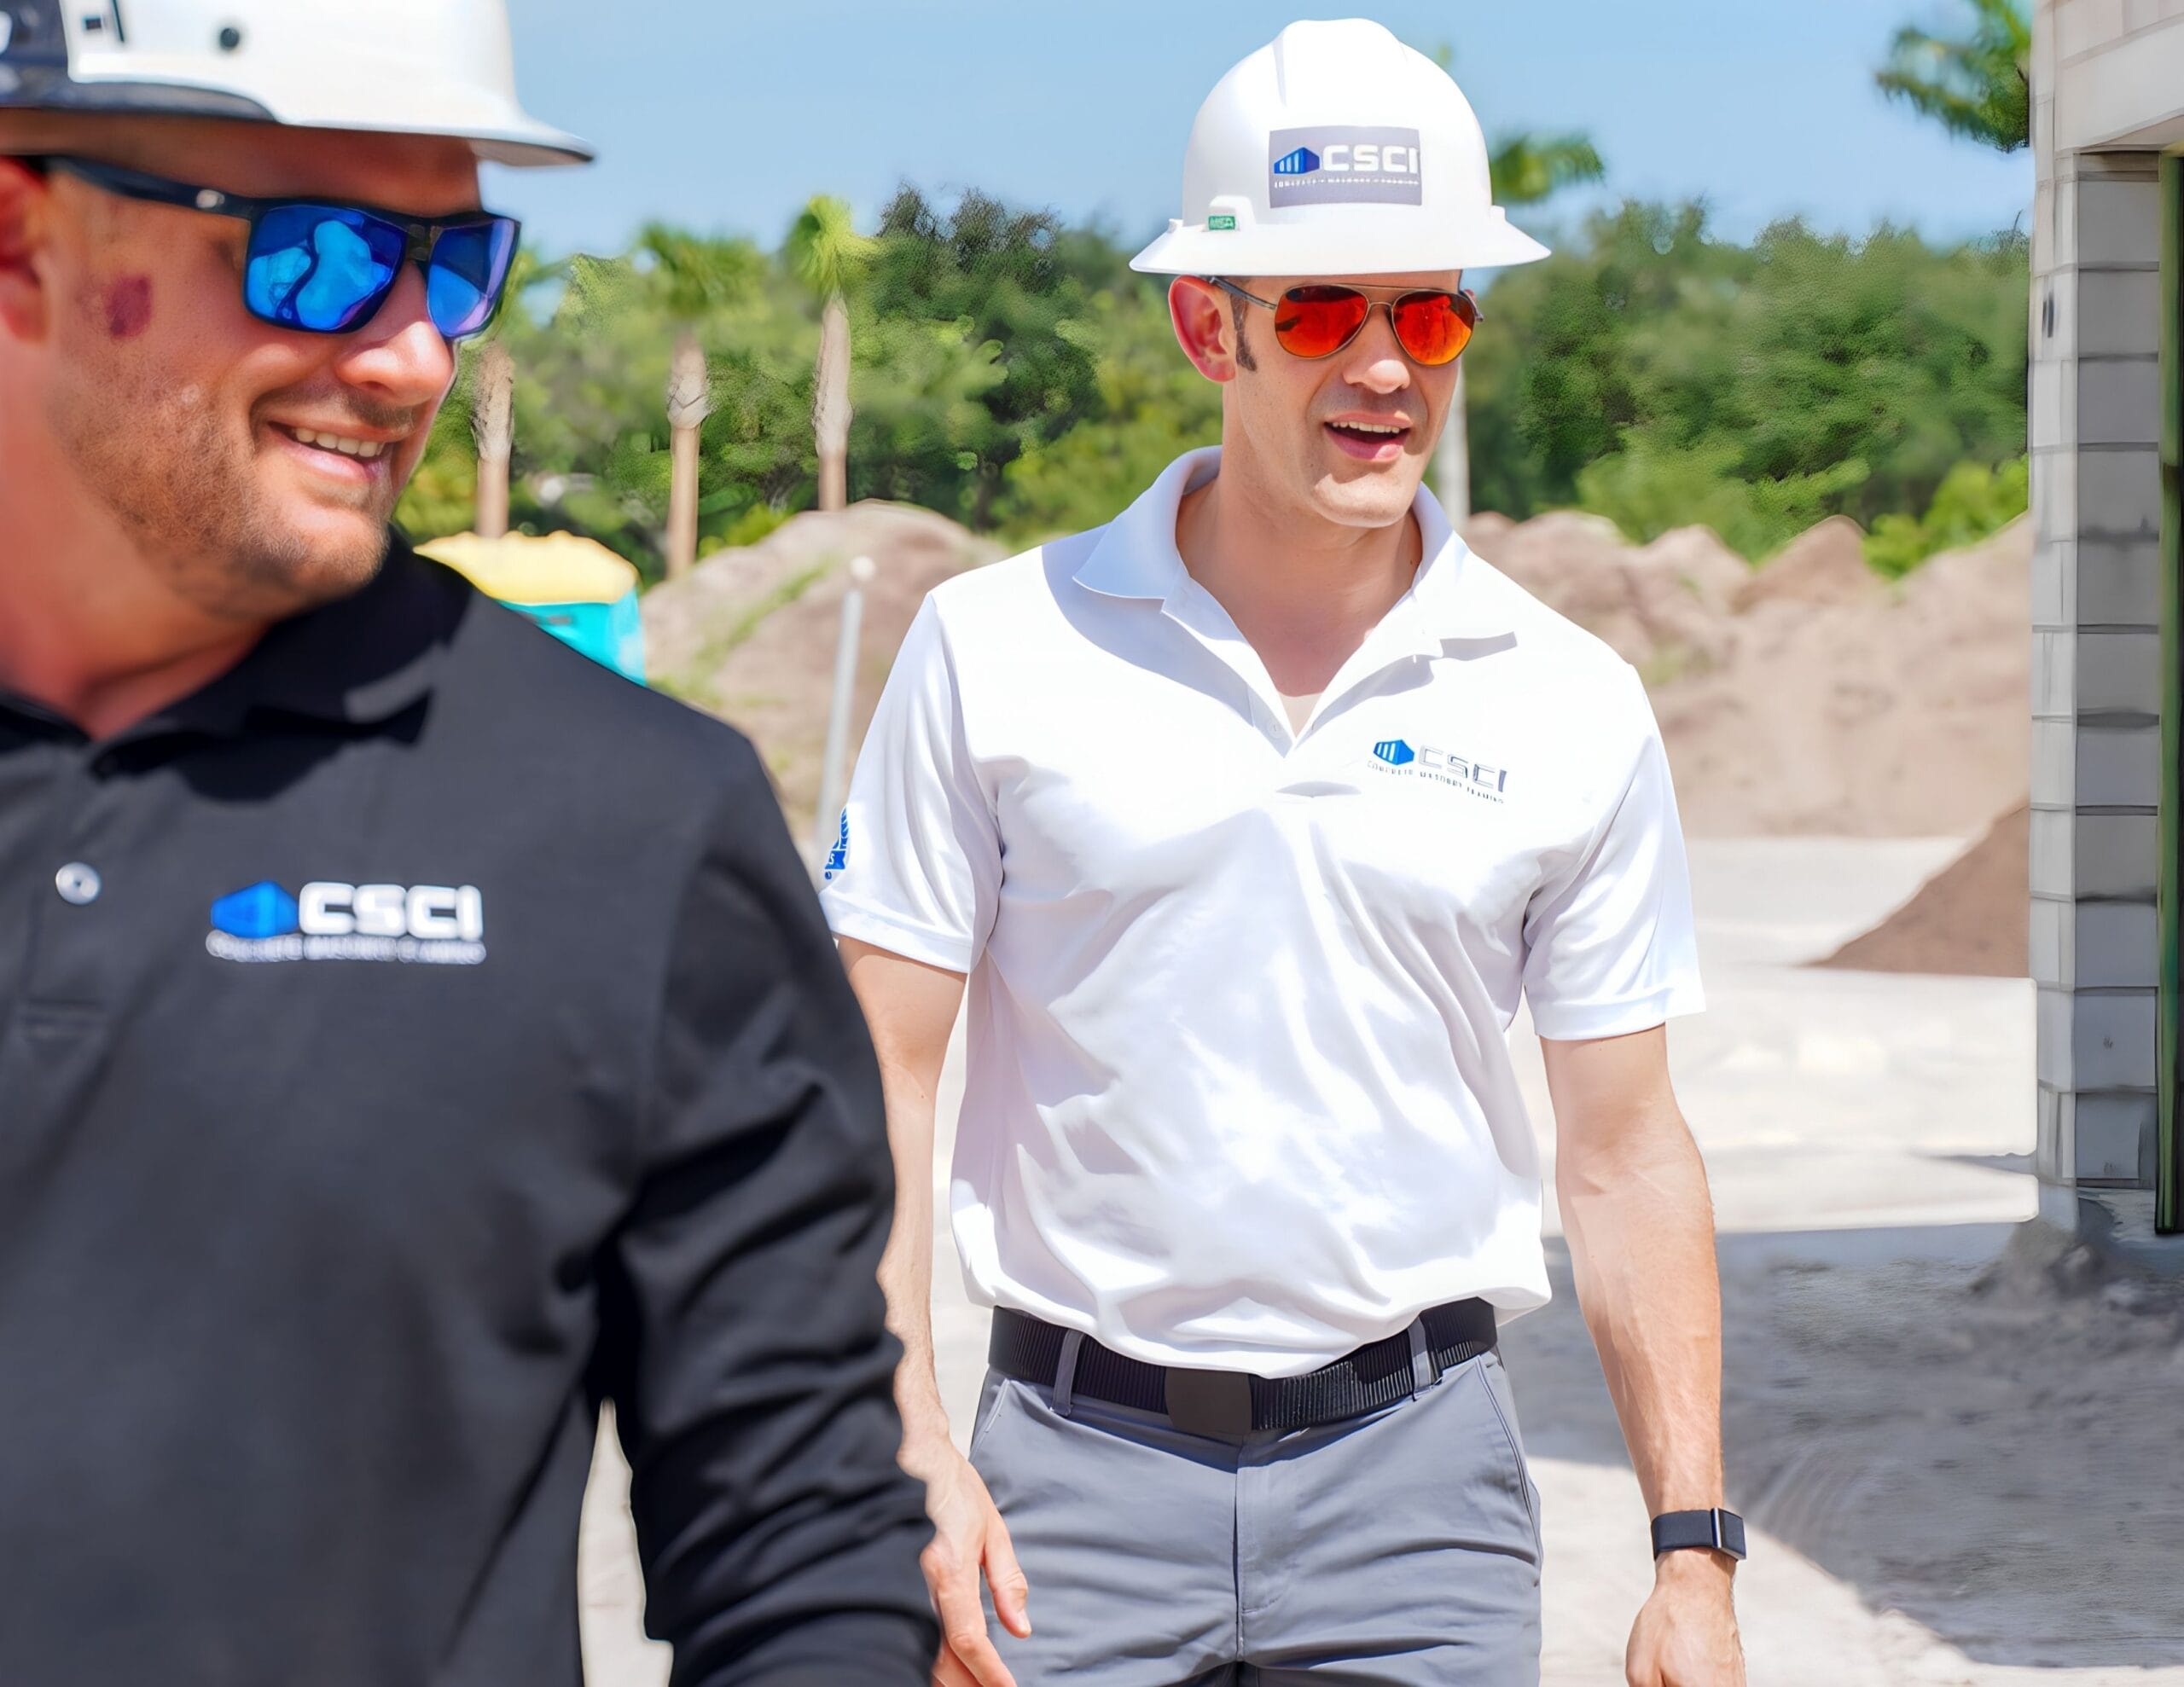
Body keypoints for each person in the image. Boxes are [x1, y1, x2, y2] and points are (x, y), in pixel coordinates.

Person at [0, 3, 934, 1681]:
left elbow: (798, 1546)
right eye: (321, 253)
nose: (417, 352)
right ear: (23, 238)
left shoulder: (630, 825)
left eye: (457, 258)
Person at [826, 20, 1747, 1687]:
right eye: (1321, 311)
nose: (1384, 366)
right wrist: (903, 1451)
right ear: (1207, 325)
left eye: (1430, 310)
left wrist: (1690, 1547)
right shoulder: (991, 650)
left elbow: (1621, 1149)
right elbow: (876, 1075)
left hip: (1420, 1492)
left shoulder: (1566, 698)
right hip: (1064, 1482)